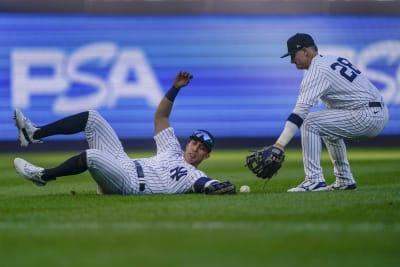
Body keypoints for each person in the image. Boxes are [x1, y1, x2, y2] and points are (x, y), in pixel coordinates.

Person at [13, 71, 236, 195]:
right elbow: (161, 117)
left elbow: (204, 184)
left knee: (91, 156)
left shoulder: (193, 174)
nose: (196, 148)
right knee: (92, 117)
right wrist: (175, 89)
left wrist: (215, 186)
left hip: (128, 183)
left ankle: (42, 176)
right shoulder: (172, 150)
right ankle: (34, 133)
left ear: (206, 156)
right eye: (195, 143)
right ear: (188, 144)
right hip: (123, 163)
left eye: (202, 148)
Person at [273, 33, 389, 192]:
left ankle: (313, 180)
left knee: (310, 121)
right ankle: (344, 179)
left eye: (293, 55)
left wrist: (279, 145)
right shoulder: (331, 59)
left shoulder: (317, 69)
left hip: (366, 114)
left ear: (305, 51)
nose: (292, 60)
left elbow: (299, 112)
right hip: (376, 111)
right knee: (328, 129)